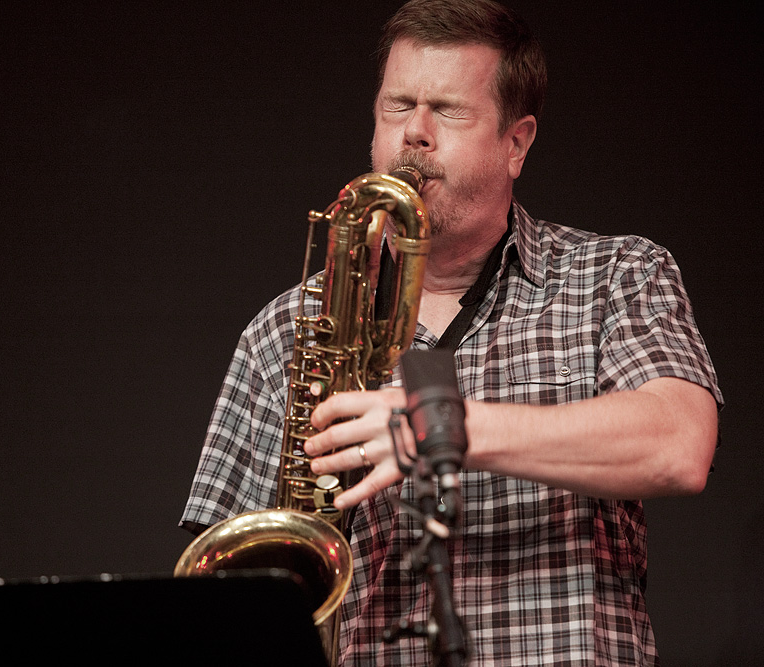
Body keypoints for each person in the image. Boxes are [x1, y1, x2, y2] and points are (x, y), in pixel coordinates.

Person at [180, 0, 722, 664]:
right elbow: (219, 596)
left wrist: (438, 428)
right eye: (398, 107)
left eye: (448, 111)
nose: (415, 133)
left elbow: (679, 443)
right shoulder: (283, 330)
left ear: (516, 141)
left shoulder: (618, 276)